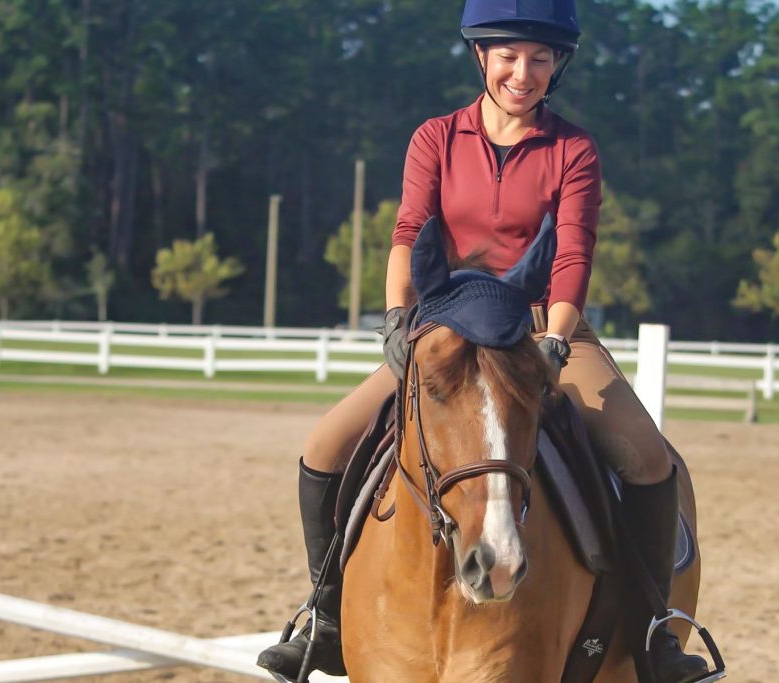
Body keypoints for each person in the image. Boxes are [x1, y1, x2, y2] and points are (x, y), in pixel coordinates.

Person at [257, 1, 710, 682]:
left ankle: (655, 635)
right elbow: (409, 232)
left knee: (647, 457)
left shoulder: (573, 149)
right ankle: (324, 618)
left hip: (536, 325)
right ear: (481, 57)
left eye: (539, 58)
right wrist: (395, 317)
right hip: (444, 325)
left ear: (558, 64)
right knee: (325, 443)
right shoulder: (436, 137)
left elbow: (574, 253)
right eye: (508, 56)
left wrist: (556, 338)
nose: (522, 73)